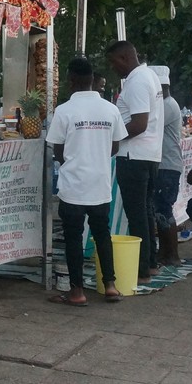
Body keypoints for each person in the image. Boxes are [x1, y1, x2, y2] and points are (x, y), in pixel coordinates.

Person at [46, 56, 128, 305]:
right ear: (93, 79)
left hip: (74, 186)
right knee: (102, 235)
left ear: (70, 80)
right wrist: (96, 157)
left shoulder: (64, 111)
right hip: (100, 184)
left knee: (73, 238)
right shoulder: (110, 109)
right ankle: (110, 286)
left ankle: (77, 292)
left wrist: (75, 160)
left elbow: (57, 149)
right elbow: (115, 146)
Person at [104, 41, 163, 283]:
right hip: (148, 155)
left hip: (134, 156)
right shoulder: (150, 76)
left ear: (125, 58)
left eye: (114, 62)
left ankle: (141, 269)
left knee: (137, 214)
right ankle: (150, 262)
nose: (113, 68)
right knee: (146, 211)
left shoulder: (137, 81)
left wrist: (112, 138)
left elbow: (139, 124)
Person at [152, 66, 184, 266]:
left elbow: (149, 124)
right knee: (160, 211)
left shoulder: (167, 106)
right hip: (164, 165)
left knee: (164, 210)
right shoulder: (165, 104)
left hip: (167, 165)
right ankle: (164, 253)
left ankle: (172, 255)